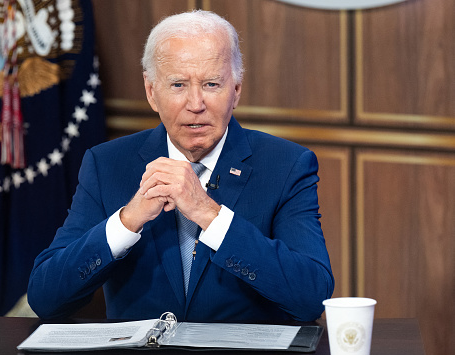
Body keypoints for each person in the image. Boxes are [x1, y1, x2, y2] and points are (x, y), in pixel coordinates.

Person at [28, 10, 334, 323]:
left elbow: (311, 297)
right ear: (151, 92)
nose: (196, 103)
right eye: (178, 85)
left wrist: (210, 216)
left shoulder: (286, 166)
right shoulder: (107, 164)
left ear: (236, 91)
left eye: (212, 84)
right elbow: (46, 298)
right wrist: (127, 220)